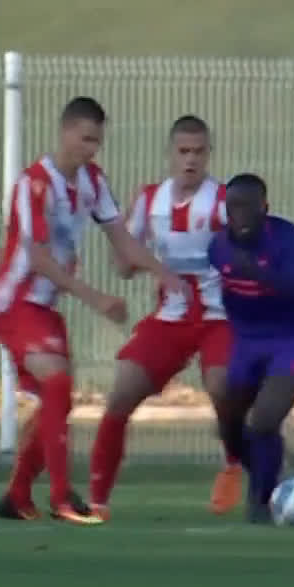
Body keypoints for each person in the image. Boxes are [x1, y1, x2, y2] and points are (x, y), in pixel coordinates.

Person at [0, 96, 188, 524]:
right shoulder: (34, 184)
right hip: (13, 302)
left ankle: (18, 495)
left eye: (97, 141)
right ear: (65, 132)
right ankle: (62, 498)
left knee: (57, 400)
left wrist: (162, 271)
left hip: (44, 306)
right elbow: (38, 258)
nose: (91, 149)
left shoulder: (93, 182)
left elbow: (122, 239)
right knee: (57, 384)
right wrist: (94, 297)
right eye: (85, 139)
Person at [89, 115, 245, 518]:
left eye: (199, 152)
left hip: (219, 317)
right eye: (183, 151)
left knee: (222, 386)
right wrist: (133, 255)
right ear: (170, 154)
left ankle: (233, 465)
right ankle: (97, 501)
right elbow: (123, 265)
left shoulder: (225, 202)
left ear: (209, 155)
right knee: (121, 394)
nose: (191, 160)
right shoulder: (149, 201)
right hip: (171, 318)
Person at [206, 173, 294, 524]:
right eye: (233, 207)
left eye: (248, 207)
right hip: (247, 340)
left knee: (264, 419)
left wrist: (259, 274)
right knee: (229, 423)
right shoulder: (218, 246)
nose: (240, 215)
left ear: (265, 208)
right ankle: (274, 474)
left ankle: (261, 500)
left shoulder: (287, 239)